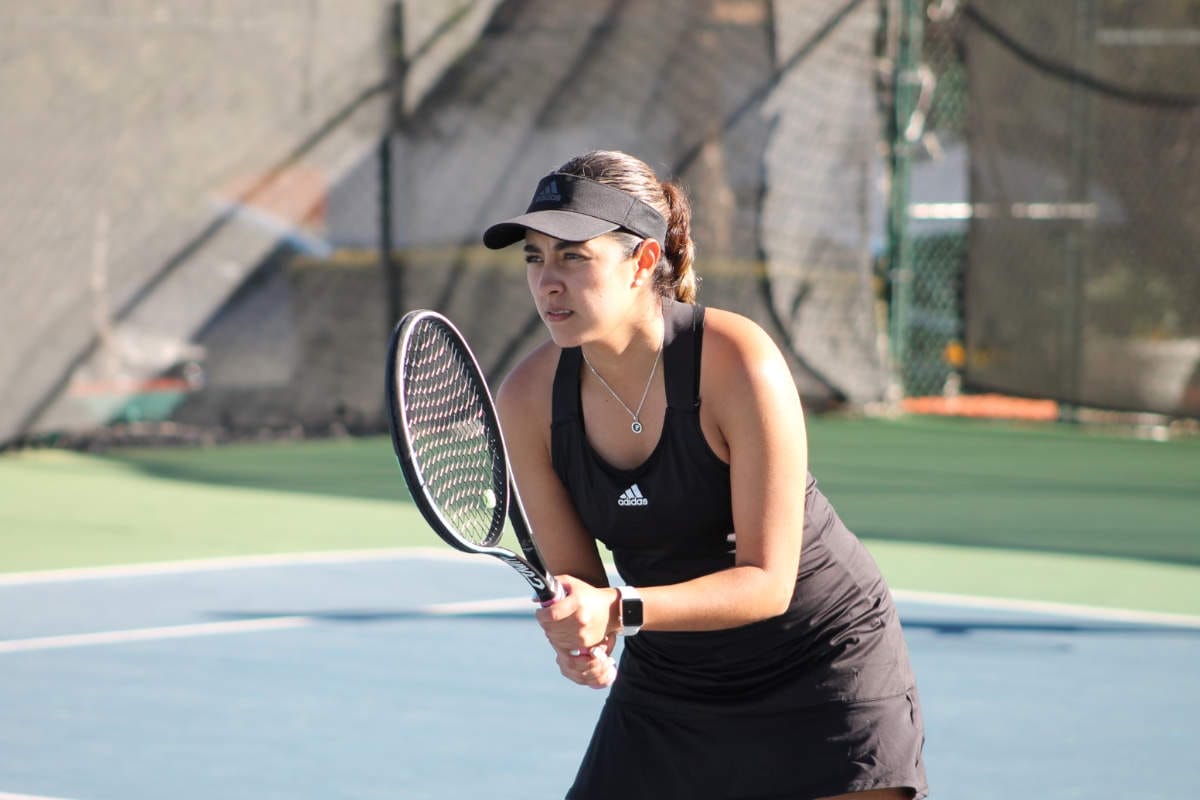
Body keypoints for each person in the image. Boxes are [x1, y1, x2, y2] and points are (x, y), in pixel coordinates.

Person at [486, 150, 928, 800]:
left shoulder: (737, 363)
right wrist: (578, 630)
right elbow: (580, 579)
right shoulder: (527, 400)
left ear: (641, 262)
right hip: (673, 684)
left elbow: (767, 583)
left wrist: (619, 610)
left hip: (820, 665)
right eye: (535, 256)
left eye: (574, 256)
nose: (548, 281)